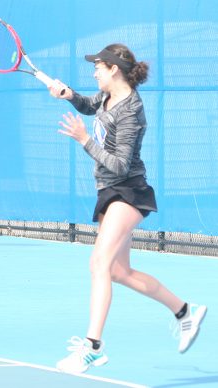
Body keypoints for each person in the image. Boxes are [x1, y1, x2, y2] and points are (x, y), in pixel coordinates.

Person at [48, 44, 207, 373]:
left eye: (98, 67)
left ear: (114, 70)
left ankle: (92, 347)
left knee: (98, 264)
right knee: (118, 271)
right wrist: (68, 94)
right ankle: (184, 312)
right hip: (109, 191)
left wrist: (83, 140)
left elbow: (120, 165)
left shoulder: (131, 109)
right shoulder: (106, 97)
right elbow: (89, 106)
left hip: (129, 191)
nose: (94, 72)